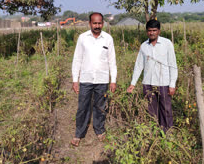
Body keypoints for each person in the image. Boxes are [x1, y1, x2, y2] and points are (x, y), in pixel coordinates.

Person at [71, 12, 117, 146]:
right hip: (86, 79)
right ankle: (78, 133)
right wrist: (75, 80)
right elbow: (77, 59)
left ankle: (99, 130)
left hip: (102, 79)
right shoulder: (83, 38)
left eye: (99, 23)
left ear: (103, 23)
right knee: (82, 107)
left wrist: (113, 80)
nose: (97, 26)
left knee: (100, 107)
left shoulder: (108, 39)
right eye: (94, 23)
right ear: (90, 23)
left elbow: (112, 61)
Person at [127, 19, 178, 132]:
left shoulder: (167, 43)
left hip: (163, 83)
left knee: (166, 110)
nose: (152, 33)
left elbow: (173, 65)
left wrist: (172, 84)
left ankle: (168, 133)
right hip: (148, 84)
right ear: (146, 31)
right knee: (151, 110)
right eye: (149, 31)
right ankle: (154, 133)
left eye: (154, 30)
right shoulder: (144, 46)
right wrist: (133, 83)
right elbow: (139, 65)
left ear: (159, 31)